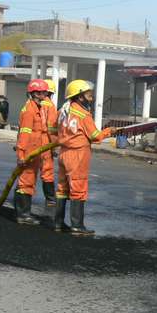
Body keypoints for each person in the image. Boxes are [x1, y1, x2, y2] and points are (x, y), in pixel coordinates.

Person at [55, 80, 118, 235]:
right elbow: (95, 136)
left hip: (64, 152)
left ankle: (58, 223)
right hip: (77, 154)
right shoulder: (83, 114)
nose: (91, 97)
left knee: (62, 189)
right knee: (78, 189)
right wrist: (110, 131)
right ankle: (77, 226)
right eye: (88, 94)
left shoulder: (64, 111)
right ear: (79, 97)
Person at [14, 79, 51, 225]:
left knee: (28, 183)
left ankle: (23, 213)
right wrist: (21, 155)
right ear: (35, 93)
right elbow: (24, 134)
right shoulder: (29, 111)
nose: (46, 94)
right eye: (44, 92)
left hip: (35, 153)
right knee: (26, 183)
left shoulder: (37, 108)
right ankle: (23, 215)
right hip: (28, 153)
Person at [40, 79, 59, 207]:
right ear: (51, 93)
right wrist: (54, 147)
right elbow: (51, 129)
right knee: (47, 172)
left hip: (31, 143)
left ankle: (22, 198)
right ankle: (51, 199)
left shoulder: (30, 104)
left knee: (27, 172)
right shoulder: (50, 106)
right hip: (45, 143)